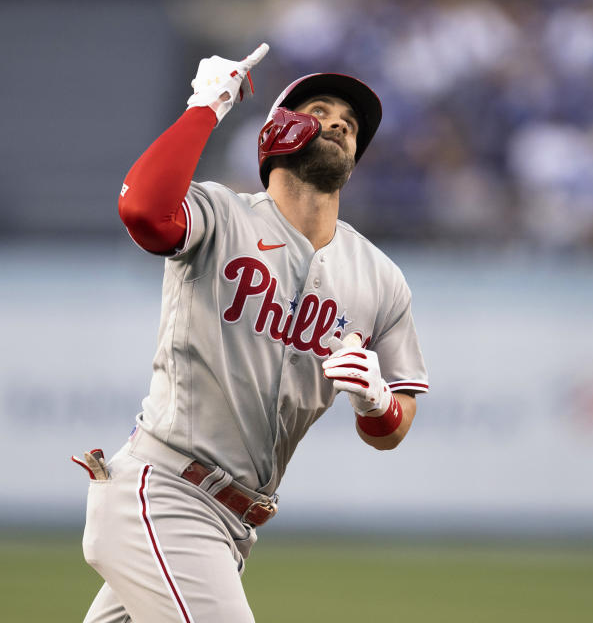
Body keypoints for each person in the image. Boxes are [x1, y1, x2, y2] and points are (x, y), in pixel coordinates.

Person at [76, 44, 429, 622]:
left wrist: (377, 402)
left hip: (233, 525)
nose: (339, 121)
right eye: (319, 109)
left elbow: (394, 427)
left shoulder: (380, 278)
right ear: (279, 131)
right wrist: (204, 109)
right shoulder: (222, 215)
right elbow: (143, 212)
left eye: (351, 122)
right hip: (165, 494)